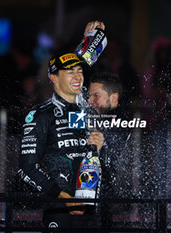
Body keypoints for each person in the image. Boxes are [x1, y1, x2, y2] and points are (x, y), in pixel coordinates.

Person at [17, 21, 106, 231]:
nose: (77, 77)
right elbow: (27, 167)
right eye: (69, 72)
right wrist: (63, 197)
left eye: (79, 71)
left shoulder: (89, 112)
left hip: (93, 208)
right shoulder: (40, 115)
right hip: (59, 209)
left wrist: (100, 149)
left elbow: (108, 166)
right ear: (53, 78)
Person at [88, 73, 131, 227]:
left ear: (113, 98)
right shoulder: (97, 116)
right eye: (89, 95)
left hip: (111, 196)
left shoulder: (122, 120)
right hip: (94, 192)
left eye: (96, 96)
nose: (89, 101)